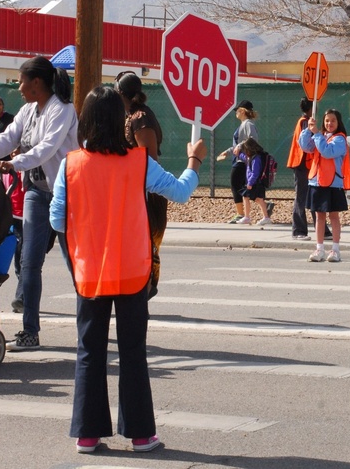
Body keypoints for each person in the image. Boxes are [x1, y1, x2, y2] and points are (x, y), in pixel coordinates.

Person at [48, 85, 205, 455]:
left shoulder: (70, 165)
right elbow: (180, 192)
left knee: (90, 350)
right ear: (121, 121)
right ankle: (140, 435)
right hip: (133, 270)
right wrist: (194, 161)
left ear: (84, 121)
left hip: (90, 272)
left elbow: (57, 219)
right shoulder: (139, 162)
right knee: (133, 351)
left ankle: (87, 434)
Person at [0, 55, 79, 351]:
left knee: (76, 265)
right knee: (29, 262)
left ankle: (90, 325)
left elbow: (48, 148)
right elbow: (7, 139)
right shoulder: (27, 111)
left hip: (66, 195)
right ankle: (30, 332)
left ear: (36, 82)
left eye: (21, 81)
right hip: (36, 192)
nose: (18, 87)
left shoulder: (62, 110)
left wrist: (14, 164)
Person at [116, 70, 167, 297]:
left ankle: (145, 289)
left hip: (147, 190)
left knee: (146, 243)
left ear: (121, 93)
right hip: (135, 188)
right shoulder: (131, 115)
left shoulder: (140, 118)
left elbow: (148, 160)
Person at [299, 108, 350, 263]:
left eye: (333, 120)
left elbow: (327, 152)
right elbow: (306, 147)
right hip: (317, 181)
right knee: (319, 216)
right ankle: (319, 248)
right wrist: (308, 129)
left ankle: (335, 249)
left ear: (339, 122)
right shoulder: (320, 136)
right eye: (327, 120)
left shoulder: (340, 139)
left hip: (333, 183)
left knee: (334, 216)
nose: (329, 123)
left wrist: (316, 134)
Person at [216, 100, 259, 223]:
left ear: (242, 111)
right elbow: (238, 144)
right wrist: (228, 151)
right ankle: (262, 207)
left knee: (235, 183)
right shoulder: (243, 124)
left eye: (237, 110)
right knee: (243, 186)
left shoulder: (248, 124)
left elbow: (252, 139)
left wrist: (239, 147)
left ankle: (241, 214)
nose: (236, 113)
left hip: (243, 160)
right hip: (240, 158)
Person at [286, 98, 315, 241]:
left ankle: (322, 229)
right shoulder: (305, 122)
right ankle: (298, 230)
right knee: (301, 197)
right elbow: (306, 143)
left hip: (305, 163)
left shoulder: (305, 121)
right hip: (302, 163)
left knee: (313, 195)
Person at [236, 137, 273, 225]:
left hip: (255, 183)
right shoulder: (251, 157)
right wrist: (237, 153)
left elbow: (255, 173)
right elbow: (244, 157)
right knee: (256, 199)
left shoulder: (256, 159)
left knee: (251, 198)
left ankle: (249, 217)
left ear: (249, 149)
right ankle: (263, 217)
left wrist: (250, 183)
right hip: (254, 183)